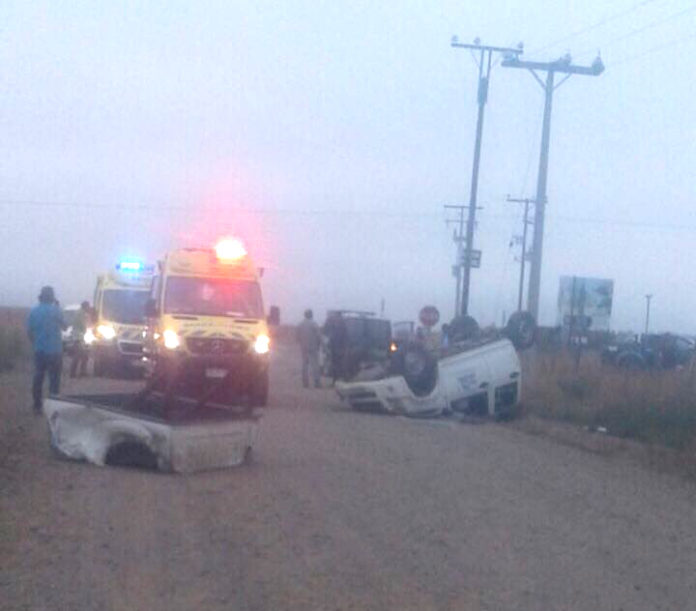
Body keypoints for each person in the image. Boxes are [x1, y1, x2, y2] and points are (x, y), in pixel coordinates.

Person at [27, 286, 66, 414]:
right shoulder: (56, 311)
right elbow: (65, 327)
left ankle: (37, 405)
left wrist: (37, 343)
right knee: (54, 380)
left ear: (41, 297)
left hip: (40, 350)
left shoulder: (33, 311)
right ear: (52, 298)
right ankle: (53, 407)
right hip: (55, 351)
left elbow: (30, 332)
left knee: (38, 377)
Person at [296, 309, 321, 388]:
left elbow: (297, 337)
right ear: (311, 315)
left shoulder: (300, 324)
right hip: (313, 347)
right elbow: (318, 335)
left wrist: (301, 343)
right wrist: (318, 344)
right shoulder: (314, 324)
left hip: (304, 347)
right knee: (315, 365)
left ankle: (305, 383)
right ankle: (316, 382)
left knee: (304, 365)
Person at [323, 311, 347, 384]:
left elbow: (329, 335)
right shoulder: (343, 325)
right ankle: (337, 381)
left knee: (336, 365)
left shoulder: (336, 325)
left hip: (337, 349)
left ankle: (336, 381)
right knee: (339, 365)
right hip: (340, 349)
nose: (337, 318)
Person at [69, 301, 90, 378]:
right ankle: (74, 373)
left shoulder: (79, 312)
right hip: (78, 337)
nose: (89, 308)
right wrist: (87, 329)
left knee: (84, 355)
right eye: (88, 306)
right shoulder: (81, 313)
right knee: (78, 355)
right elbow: (82, 325)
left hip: (78, 336)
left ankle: (81, 372)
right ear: (85, 306)